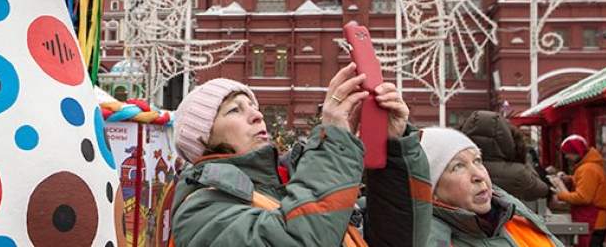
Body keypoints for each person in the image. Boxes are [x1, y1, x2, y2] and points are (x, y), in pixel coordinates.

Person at [170, 63, 432, 246]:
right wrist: (335, 142)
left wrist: (393, 147)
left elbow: (399, 239)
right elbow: (296, 238)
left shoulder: (292, 183)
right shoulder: (199, 211)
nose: (257, 114)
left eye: (252, 105)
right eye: (234, 111)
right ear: (204, 140)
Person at [422, 127, 562, 246]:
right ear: (432, 190)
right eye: (458, 166)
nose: (479, 175)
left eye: (477, 161)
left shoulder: (518, 219)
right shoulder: (429, 239)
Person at [459, 111, 550, 203]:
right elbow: (542, 190)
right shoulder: (519, 174)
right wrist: (523, 158)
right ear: (506, 139)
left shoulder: (454, 172)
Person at [552, 135, 606, 247]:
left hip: (593, 221)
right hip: (593, 220)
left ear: (576, 152)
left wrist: (560, 196)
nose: (566, 156)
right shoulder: (589, 166)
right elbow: (583, 183)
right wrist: (569, 179)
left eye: (568, 153)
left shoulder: (587, 169)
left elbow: (583, 197)